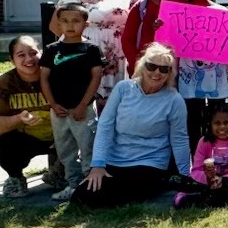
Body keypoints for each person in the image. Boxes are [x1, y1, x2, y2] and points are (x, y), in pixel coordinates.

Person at [71, 42, 194, 208]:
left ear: (170, 73)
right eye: (152, 66)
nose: (157, 72)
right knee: (81, 198)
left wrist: (185, 176)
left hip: (150, 163)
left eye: (164, 69)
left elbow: (179, 139)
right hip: (115, 160)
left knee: (123, 192)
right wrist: (97, 165)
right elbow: (105, 127)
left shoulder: (174, 99)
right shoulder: (123, 89)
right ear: (143, 66)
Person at [53, 0, 144, 108]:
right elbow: (54, 26)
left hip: (117, 52)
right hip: (84, 51)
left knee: (116, 99)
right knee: (87, 97)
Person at [40, 3, 104, 201]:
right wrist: (53, 104)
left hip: (83, 109)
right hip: (59, 110)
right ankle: (73, 184)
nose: (70, 25)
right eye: (65, 21)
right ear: (58, 24)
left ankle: (89, 185)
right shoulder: (52, 50)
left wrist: (83, 105)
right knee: (65, 149)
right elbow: (44, 78)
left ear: (86, 23)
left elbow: (96, 77)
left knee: (87, 147)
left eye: (76, 21)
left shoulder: (91, 49)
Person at [0, 36, 63, 197]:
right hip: (25, 138)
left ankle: (60, 173)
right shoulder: (4, 84)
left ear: (41, 53)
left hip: (60, 136)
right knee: (4, 142)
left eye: (33, 53)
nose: (29, 59)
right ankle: (15, 177)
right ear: (11, 60)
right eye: (21, 55)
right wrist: (17, 119)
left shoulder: (56, 77)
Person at [177, 0, 228, 150]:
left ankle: (219, 156)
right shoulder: (178, 11)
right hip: (188, 76)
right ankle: (197, 160)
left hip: (217, 76)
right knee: (192, 120)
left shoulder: (221, 12)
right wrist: (161, 28)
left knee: (218, 118)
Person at [175, 102, 228, 209]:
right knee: (183, 180)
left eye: (226, 122)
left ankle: (206, 199)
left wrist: (223, 180)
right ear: (210, 125)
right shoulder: (204, 142)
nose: (222, 127)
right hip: (208, 184)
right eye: (217, 123)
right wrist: (209, 179)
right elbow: (196, 170)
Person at [120, 0, 187, 75]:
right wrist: (139, 65)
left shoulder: (189, 2)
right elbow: (127, 40)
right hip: (150, 72)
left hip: (185, 74)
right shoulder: (141, 6)